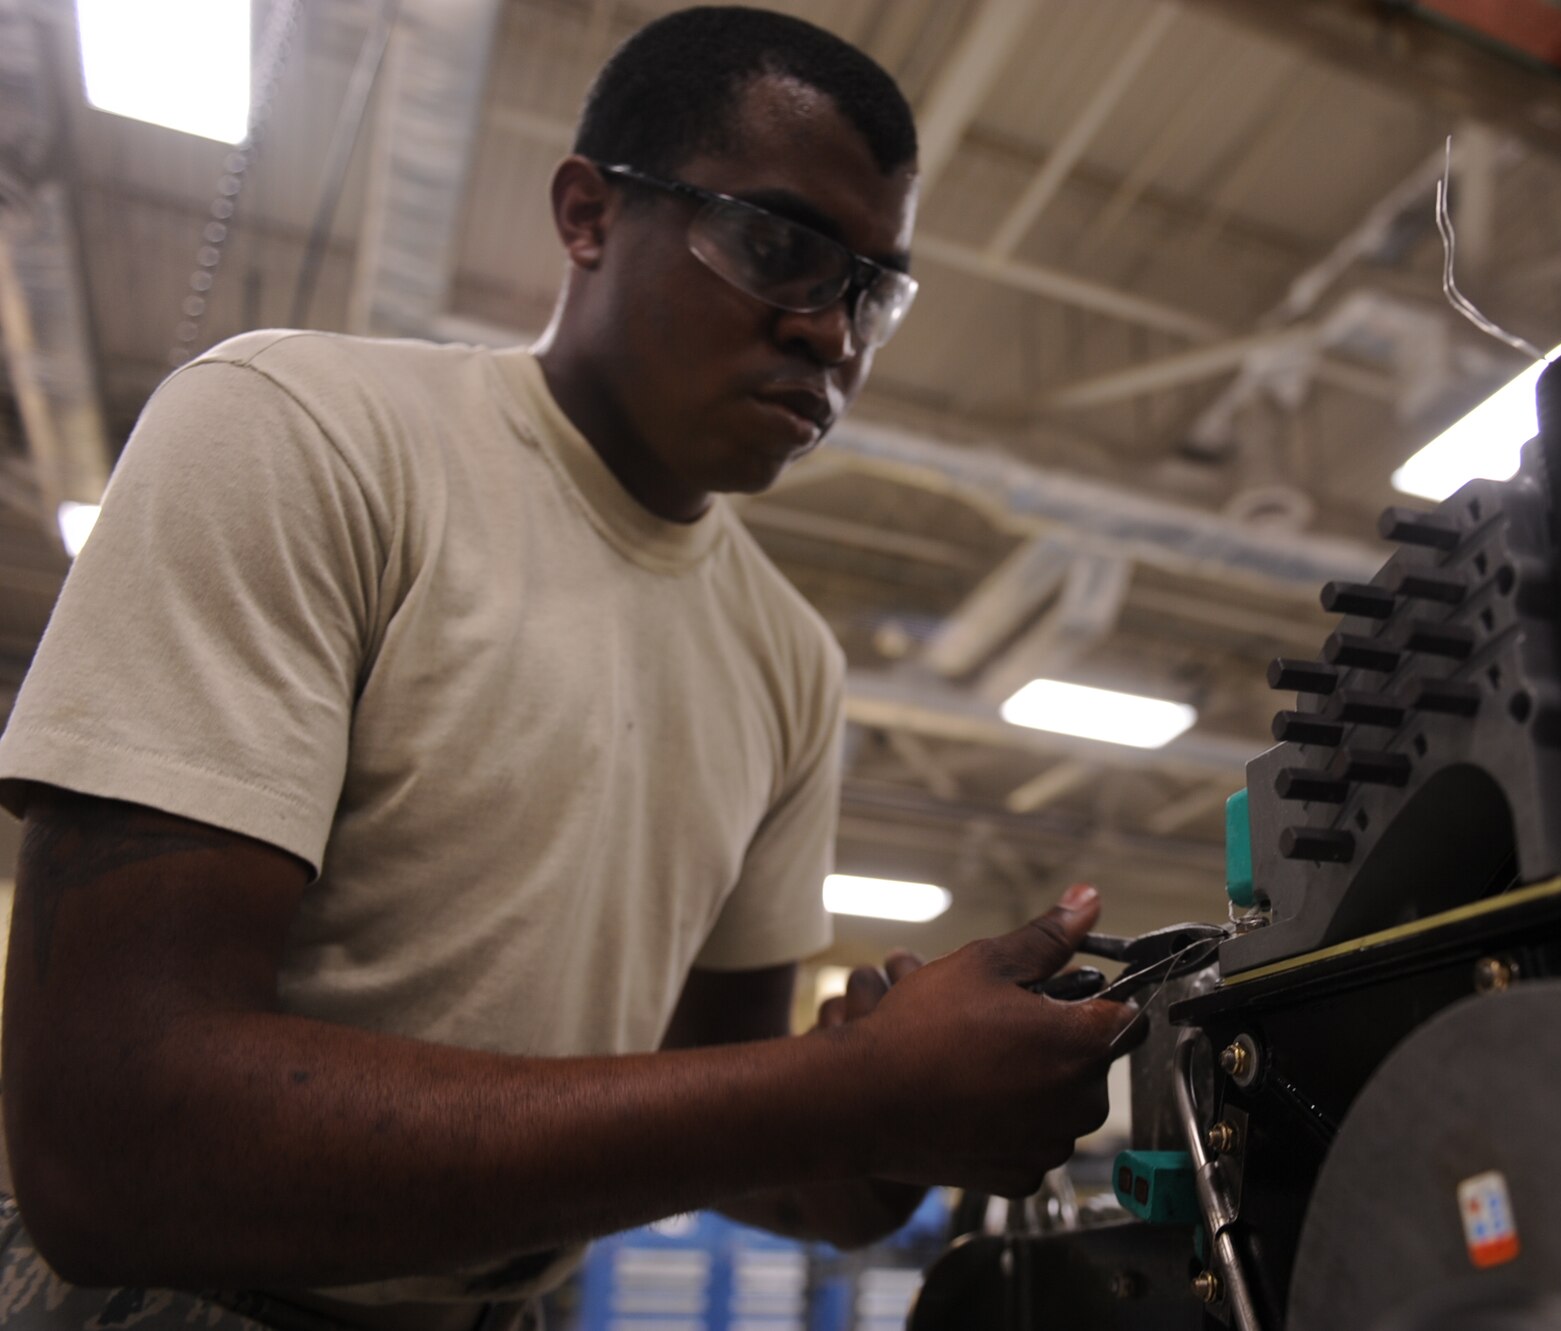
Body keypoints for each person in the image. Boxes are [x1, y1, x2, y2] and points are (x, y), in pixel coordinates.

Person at [0, 8, 1136, 1328]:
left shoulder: (788, 665)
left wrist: (888, 1130)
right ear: (588, 215)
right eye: (781, 248)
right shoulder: (302, 436)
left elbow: (717, 1119)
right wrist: (836, 1097)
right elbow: (110, 1152)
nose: (834, 338)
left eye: (873, 289)